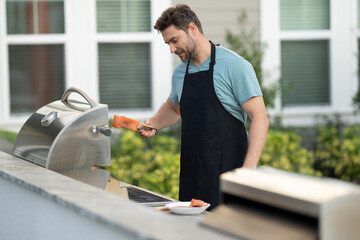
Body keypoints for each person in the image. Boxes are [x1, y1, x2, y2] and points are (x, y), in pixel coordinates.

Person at [138, 4, 269, 210]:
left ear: (192, 29)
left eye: (174, 41)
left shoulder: (235, 66)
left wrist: (248, 170)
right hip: (193, 179)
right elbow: (174, 109)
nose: (172, 49)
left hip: (230, 179)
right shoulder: (180, 73)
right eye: (168, 44)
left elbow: (260, 117)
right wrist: (153, 123)